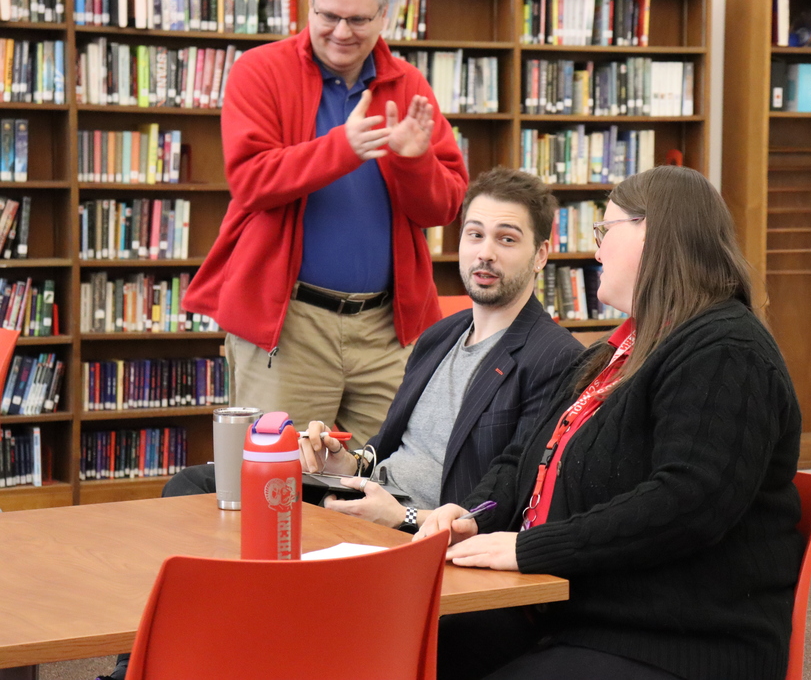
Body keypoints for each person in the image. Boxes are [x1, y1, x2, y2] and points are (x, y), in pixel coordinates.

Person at [96, 168, 580, 680]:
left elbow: (512, 490)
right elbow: (395, 446)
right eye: (474, 234)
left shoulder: (554, 357)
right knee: (200, 484)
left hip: (421, 530)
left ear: (542, 253)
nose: (485, 253)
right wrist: (346, 461)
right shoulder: (442, 332)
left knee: (267, 567)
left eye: (507, 239)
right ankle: (143, 664)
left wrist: (405, 520)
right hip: (364, 496)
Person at [417, 165, 804, 680]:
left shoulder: (727, 349)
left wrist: (530, 548)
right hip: (574, 610)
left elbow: (687, 503)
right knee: (403, 641)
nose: (596, 249)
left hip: (675, 639)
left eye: (605, 230)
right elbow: (523, 458)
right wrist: (474, 513)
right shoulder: (617, 349)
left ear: (656, 232)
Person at [181, 0, 469, 446]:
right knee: (280, 479)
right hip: (289, 324)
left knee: (391, 479)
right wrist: (342, 148)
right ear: (308, 10)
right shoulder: (260, 70)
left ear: (384, 19)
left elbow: (444, 207)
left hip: (387, 329)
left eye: (357, 20)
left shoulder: (408, 83)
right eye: (328, 17)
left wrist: (417, 163)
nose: (341, 32)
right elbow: (249, 181)